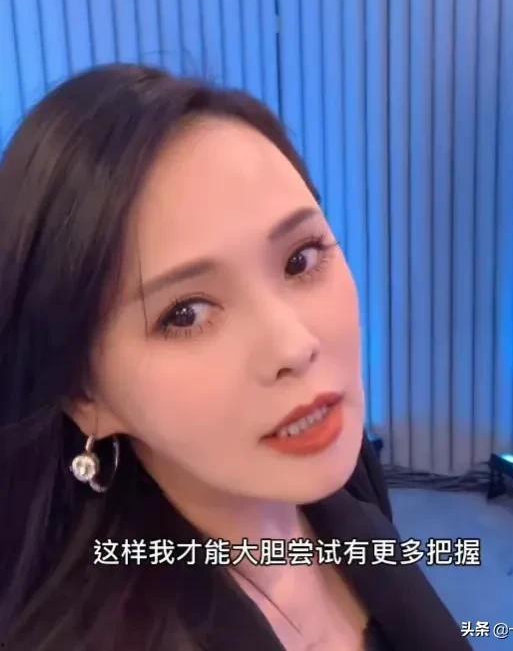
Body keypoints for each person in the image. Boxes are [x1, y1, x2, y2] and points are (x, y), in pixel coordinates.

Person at [0, 64, 471, 651]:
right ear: (85, 395)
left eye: (300, 259)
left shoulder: (346, 480)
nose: (294, 346)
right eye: (186, 314)